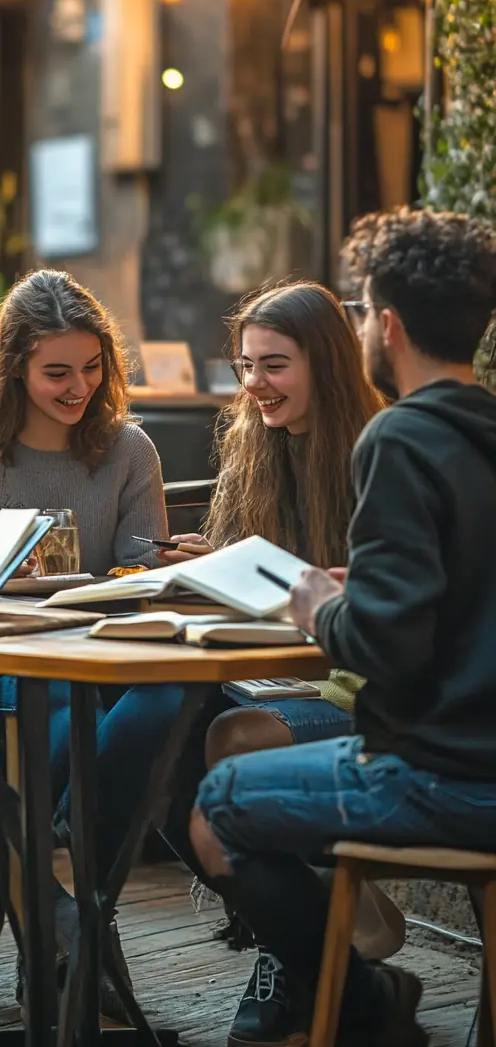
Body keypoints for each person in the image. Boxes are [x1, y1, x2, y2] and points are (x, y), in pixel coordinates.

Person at [191, 207, 496, 1047]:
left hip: (443, 773)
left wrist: (322, 608)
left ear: (385, 325)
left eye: (361, 309)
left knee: (216, 808)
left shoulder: (399, 437)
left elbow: (385, 652)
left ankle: (365, 1008)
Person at [0, 267, 170, 1016]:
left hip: (100, 657)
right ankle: (73, 921)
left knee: (167, 705)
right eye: (57, 372)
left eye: (93, 368)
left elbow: (139, 567)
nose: (78, 388)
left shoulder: (129, 450)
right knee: (41, 702)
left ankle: (63, 914)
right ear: (15, 368)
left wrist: (164, 563)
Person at [146, 283, 385, 1035]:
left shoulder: (378, 453)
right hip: (270, 676)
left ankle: (297, 950)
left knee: (230, 740)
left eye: (274, 365)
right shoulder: (255, 447)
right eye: (246, 365)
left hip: (358, 694)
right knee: (148, 745)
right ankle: (308, 925)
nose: (254, 385)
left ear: (329, 365)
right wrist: (218, 565)